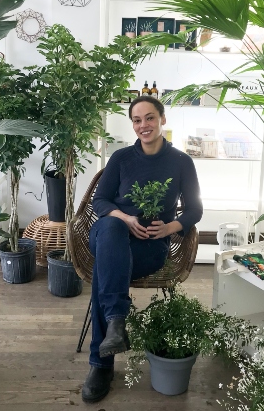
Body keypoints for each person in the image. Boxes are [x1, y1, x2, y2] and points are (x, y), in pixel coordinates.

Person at [81, 95, 203, 403]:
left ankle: (102, 363)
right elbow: (101, 201)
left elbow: (195, 210)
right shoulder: (121, 158)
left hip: (150, 246)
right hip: (109, 234)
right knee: (110, 229)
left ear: (163, 119)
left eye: (149, 118)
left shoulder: (181, 162)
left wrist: (169, 227)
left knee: (105, 273)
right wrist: (124, 217)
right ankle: (116, 322)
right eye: (137, 120)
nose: (143, 125)